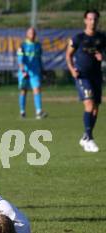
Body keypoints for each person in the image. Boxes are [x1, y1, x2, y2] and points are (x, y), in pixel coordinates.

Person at [66, 9, 106, 153]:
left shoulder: (102, 37)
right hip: (82, 76)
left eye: (95, 19)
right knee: (89, 104)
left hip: (96, 76)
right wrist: (72, 70)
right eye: (90, 19)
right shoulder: (78, 38)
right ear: (85, 20)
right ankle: (89, 138)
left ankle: (85, 136)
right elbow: (68, 55)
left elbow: (103, 53)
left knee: (95, 109)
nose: (92, 21)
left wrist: (102, 56)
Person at [17, 27, 47, 120]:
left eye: (34, 33)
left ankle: (39, 111)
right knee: (23, 91)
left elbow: (39, 58)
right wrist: (23, 71)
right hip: (25, 72)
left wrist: (42, 70)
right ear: (27, 34)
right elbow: (20, 61)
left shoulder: (38, 45)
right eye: (30, 33)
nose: (32, 34)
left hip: (35, 72)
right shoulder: (22, 46)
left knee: (37, 89)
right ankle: (22, 111)